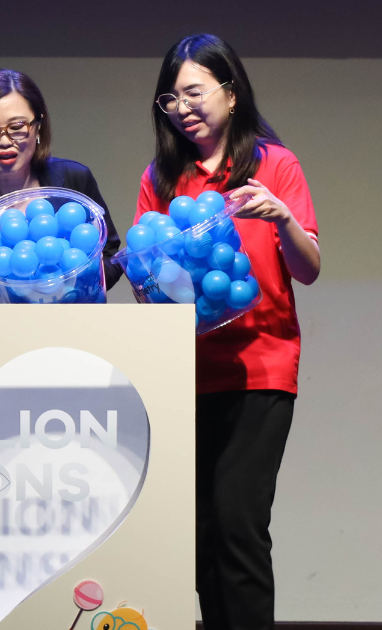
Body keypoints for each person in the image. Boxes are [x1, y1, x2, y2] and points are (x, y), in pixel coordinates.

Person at [135, 34, 320, 630]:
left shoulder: (275, 165)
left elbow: (308, 269)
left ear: (230, 93)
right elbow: (146, 278)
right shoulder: (161, 178)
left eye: (194, 92)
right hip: (187, 371)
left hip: (261, 366)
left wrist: (282, 216)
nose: (183, 108)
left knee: (239, 523)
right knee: (198, 533)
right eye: (171, 99)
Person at [0, 69, 122, 303]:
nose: (5, 141)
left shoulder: (74, 179)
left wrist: (77, 285)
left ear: (38, 127)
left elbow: (109, 254)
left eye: (17, 127)